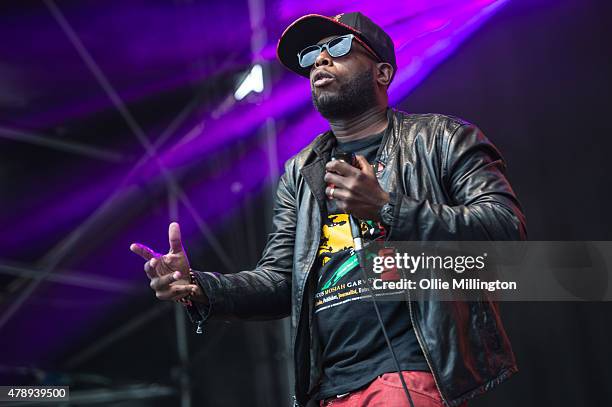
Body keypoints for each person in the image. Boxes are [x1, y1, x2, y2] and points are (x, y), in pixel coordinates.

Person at [130, 12, 527, 407]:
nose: (320, 60)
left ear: (382, 73)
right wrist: (200, 287)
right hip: (328, 388)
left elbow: (504, 230)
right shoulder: (301, 172)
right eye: (312, 55)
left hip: (410, 372)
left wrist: (388, 209)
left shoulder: (442, 139)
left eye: (337, 48)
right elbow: (281, 281)